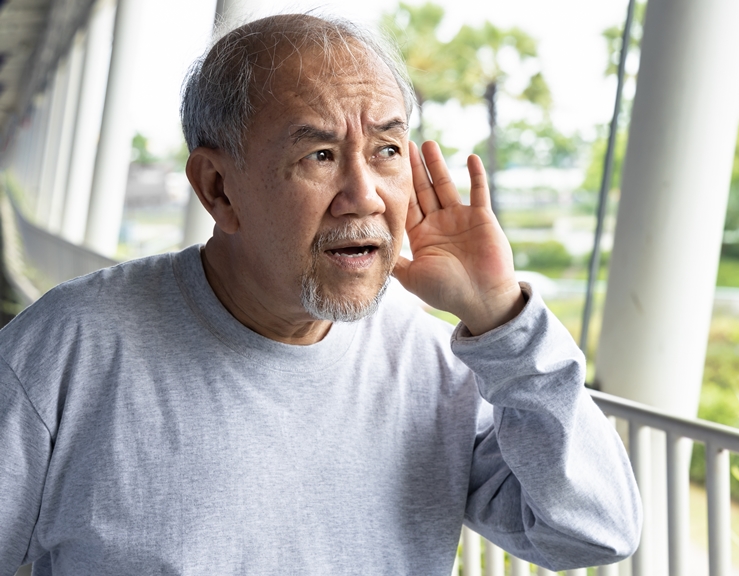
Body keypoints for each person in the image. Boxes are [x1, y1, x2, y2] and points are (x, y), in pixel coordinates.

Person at [0, 13, 641, 575]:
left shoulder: (438, 364)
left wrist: (503, 320)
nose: (364, 195)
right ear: (218, 186)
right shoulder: (70, 347)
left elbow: (593, 530)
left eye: (387, 149)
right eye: (321, 155)